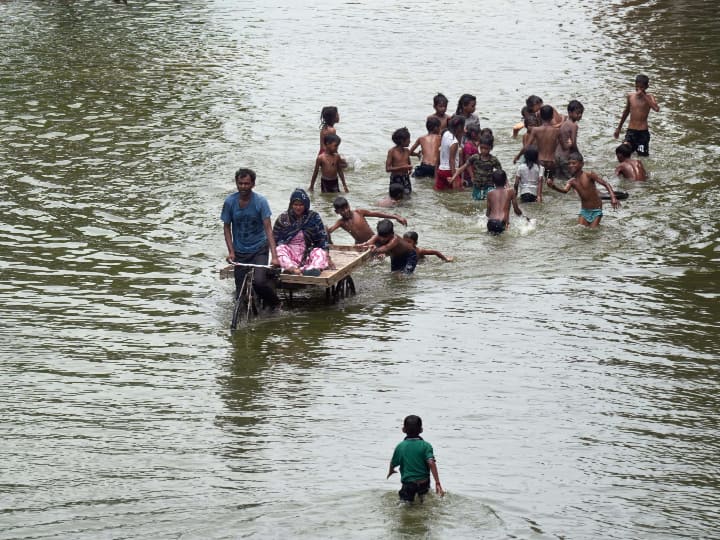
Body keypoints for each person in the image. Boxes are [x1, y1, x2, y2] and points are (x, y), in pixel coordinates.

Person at [221, 167, 281, 309]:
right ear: (236, 183)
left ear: (253, 184)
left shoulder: (260, 202)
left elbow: (268, 229)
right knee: (239, 295)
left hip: (259, 249)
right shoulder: (230, 202)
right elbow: (226, 227)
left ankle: (276, 303)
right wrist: (231, 251)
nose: (243, 187)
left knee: (259, 282)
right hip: (240, 251)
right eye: (240, 183)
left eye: (246, 184)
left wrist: (275, 256)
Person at [546, 151, 620, 227]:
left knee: (592, 232)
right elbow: (564, 191)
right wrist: (553, 187)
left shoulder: (589, 175)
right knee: (581, 232)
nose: (571, 165)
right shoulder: (572, 181)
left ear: (582, 164)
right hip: (584, 211)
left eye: (574, 163)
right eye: (569, 164)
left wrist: (613, 197)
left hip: (596, 209)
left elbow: (605, 184)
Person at [272, 188, 330, 276]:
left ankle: (312, 269)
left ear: (306, 204)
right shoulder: (283, 218)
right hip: (289, 252)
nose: (298, 207)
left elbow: (322, 238)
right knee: (279, 250)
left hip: (307, 252)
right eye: (295, 204)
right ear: (291, 204)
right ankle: (292, 269)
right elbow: (274, 239)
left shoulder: (313, 217)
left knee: (320, 252)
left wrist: (327, 256)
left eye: (301, 205)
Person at [387, 415, 444, 502]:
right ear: (421, 430)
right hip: (423, 483)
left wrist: (391, 471)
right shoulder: (426, 445)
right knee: (423, 503)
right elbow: (431, 462)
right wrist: (437, 483)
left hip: (408, 484)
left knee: (405, 504)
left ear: (403, 430)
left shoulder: (400, 446)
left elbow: (393, 463)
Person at [328, 196, 407, 244]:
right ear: (337, 212)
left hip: (375, 241)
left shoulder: (359, 212)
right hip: (360, 245)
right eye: (342, 210)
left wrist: (396, 217)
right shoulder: (341, 222)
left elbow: (377, 214)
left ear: (349, 205)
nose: (345, 211)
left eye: (346, 208)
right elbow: (329, 231)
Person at [613, 74, 660, 156]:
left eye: (641, 87)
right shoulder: (630, 96)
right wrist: (619, 128)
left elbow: (656, 109)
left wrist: (643, 95)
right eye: (637, 87)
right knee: (623, 152)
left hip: (643, 133)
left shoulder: (650, 97)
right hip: (631, 132)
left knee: (642, 156)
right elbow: (626, 112)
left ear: (646, 87)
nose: (639, 89)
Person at [451, 132, 502, 200]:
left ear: (491, 148)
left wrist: (505, 186)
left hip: (489, 186)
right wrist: (453, 177)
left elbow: (501, 173)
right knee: (476, 202)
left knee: (488, 201)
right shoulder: (475, 157)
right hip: (477, 186)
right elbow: (463, 167)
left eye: (486, 148)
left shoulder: (493, 160)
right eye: (481, 148)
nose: (483, 150)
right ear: (479, 146)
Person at [515, 105, 560, 180]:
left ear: (540, 117)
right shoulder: (557, 131)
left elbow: (526, 147)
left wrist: (518, 156)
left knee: (539, 182)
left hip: (540, 161)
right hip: (552, 162)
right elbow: (563, 146)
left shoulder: (536, 130)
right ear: (552, 117)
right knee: (550, 181)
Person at [434, 115, 465, 190]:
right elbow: (452, 161)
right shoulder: (454, 142)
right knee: (458, 193)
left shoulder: (445, 134)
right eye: (463, 126)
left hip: (441, 170)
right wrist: (454, 178)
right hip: (450, 171)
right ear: (460, 127)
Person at [555, 100, 584, 180]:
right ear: (570, 113)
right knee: (572, 180)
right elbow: (573, 144)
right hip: (565, 158)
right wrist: (579, 156)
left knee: (559, 179)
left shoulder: (564, 123)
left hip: (557, 156)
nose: (580, 115)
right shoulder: (574, 125)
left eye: (581, 113)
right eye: (577, 113)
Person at [386, 127, 413, 195]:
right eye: (408, 139)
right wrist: (403, 167)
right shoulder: (392, 151)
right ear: (402, 141)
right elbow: (388, 169)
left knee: (407, 196)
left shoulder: (407, 151)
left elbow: (408, 164)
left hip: (406, 178)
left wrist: (410, 169)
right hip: (396, 178)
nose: (410, 141)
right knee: (395, 198)